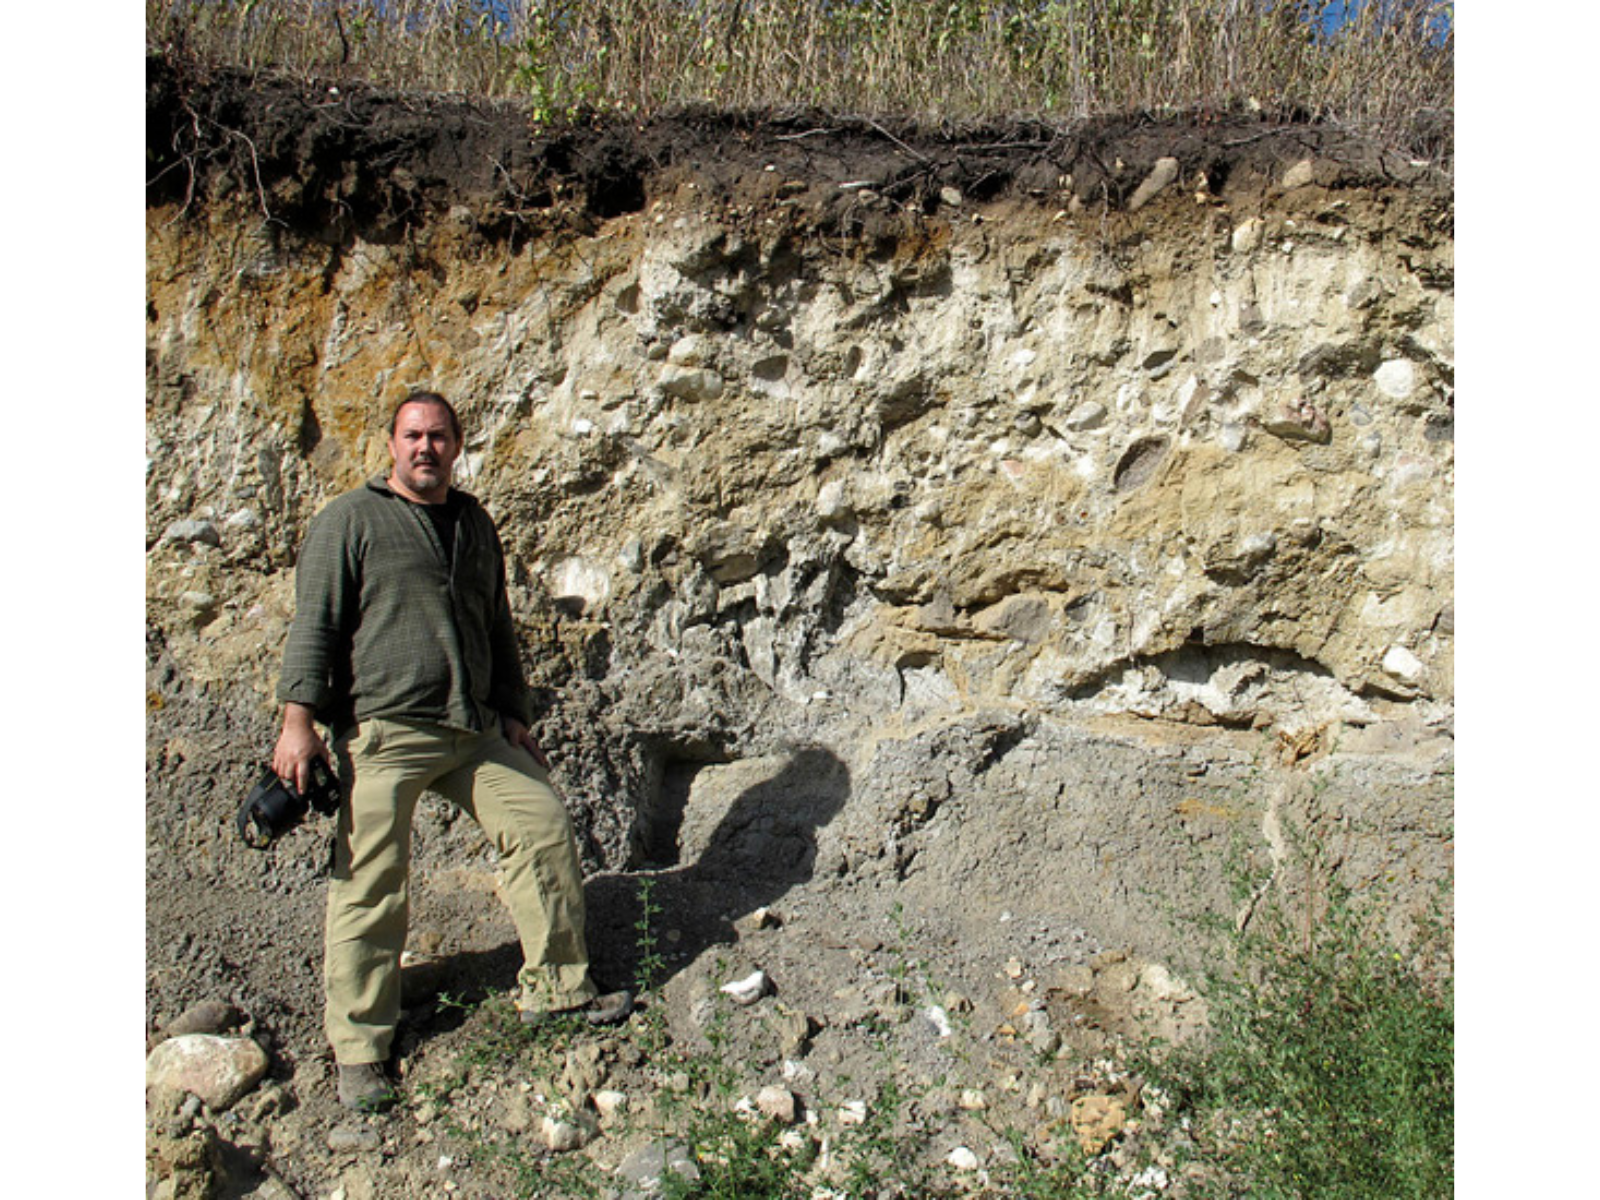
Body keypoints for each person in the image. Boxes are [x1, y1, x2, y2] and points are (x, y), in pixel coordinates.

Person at [272, 390, 631, 1113]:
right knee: (370, 881)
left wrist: (515, 714)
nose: (425, 448)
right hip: (385, 731)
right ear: (391, 444)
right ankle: (361, 1048)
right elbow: (316, 624)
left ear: (457, 446)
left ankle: (557, 990)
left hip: (472, 730)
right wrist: (297, 722)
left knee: (540, 826)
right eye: (412, 436)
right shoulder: (349, 521)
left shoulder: (474, 522)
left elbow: (495, 624)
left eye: (438, 436)